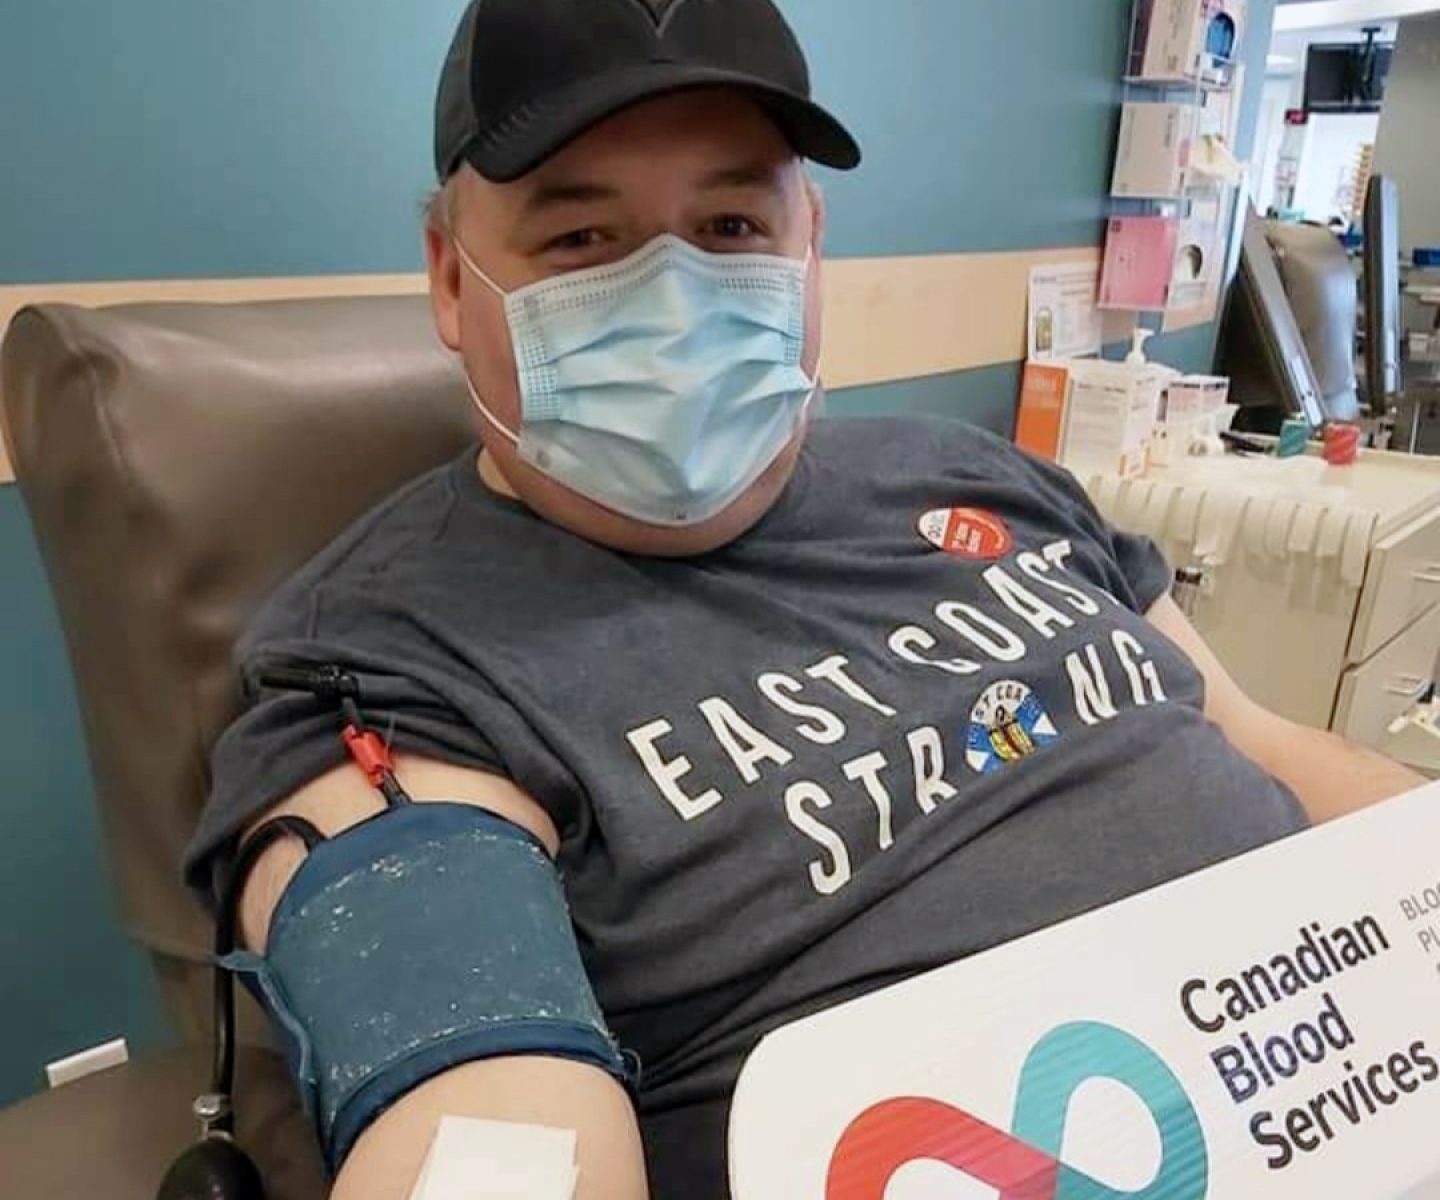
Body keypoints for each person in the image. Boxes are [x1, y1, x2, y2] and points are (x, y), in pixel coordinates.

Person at [185, 1, 1425, 1197]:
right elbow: (483, 1117)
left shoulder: (980, 474)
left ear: (811, 244)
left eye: (729, 227)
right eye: (581, 242)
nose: (669, 295)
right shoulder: (390, 667)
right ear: (452, 283)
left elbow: (1262, 744)